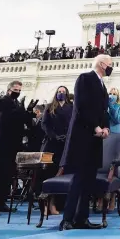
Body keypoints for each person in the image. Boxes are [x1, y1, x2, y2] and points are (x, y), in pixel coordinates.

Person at [59, 54, 112, 231]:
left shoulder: (102, 85)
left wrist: (105, 127)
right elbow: (82, 106)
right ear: (102, 64)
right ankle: (67, 219)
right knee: (79, 179)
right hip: (83, 137)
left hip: (96, 139)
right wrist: (96, 127)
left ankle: (82, 218)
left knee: (88, 180)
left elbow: (103, 110)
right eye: (111, 64)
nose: (112, 67)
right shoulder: (85, 78)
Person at [0, 81, 31, 216]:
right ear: (9, 89)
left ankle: (0, 202)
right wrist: (20, 110)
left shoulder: (17, 104)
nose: (18, 92)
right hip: (1, 144)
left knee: (7, 175)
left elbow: (21, 121)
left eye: (20, 90)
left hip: (14, 145)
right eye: (16, 89)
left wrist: (29, 112)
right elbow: (3, 118)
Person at [40, 86, 73, 215]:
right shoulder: (49, 107)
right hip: (51, 144)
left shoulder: (71, 107)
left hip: (66, 144)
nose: (61, 93)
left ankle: (58, 203)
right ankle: (46, 204)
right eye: (59, 92)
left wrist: (68, 136)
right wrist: (54, 136)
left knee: (62, 173)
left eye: (63, 92)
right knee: (48, 173)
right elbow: (44, 124)